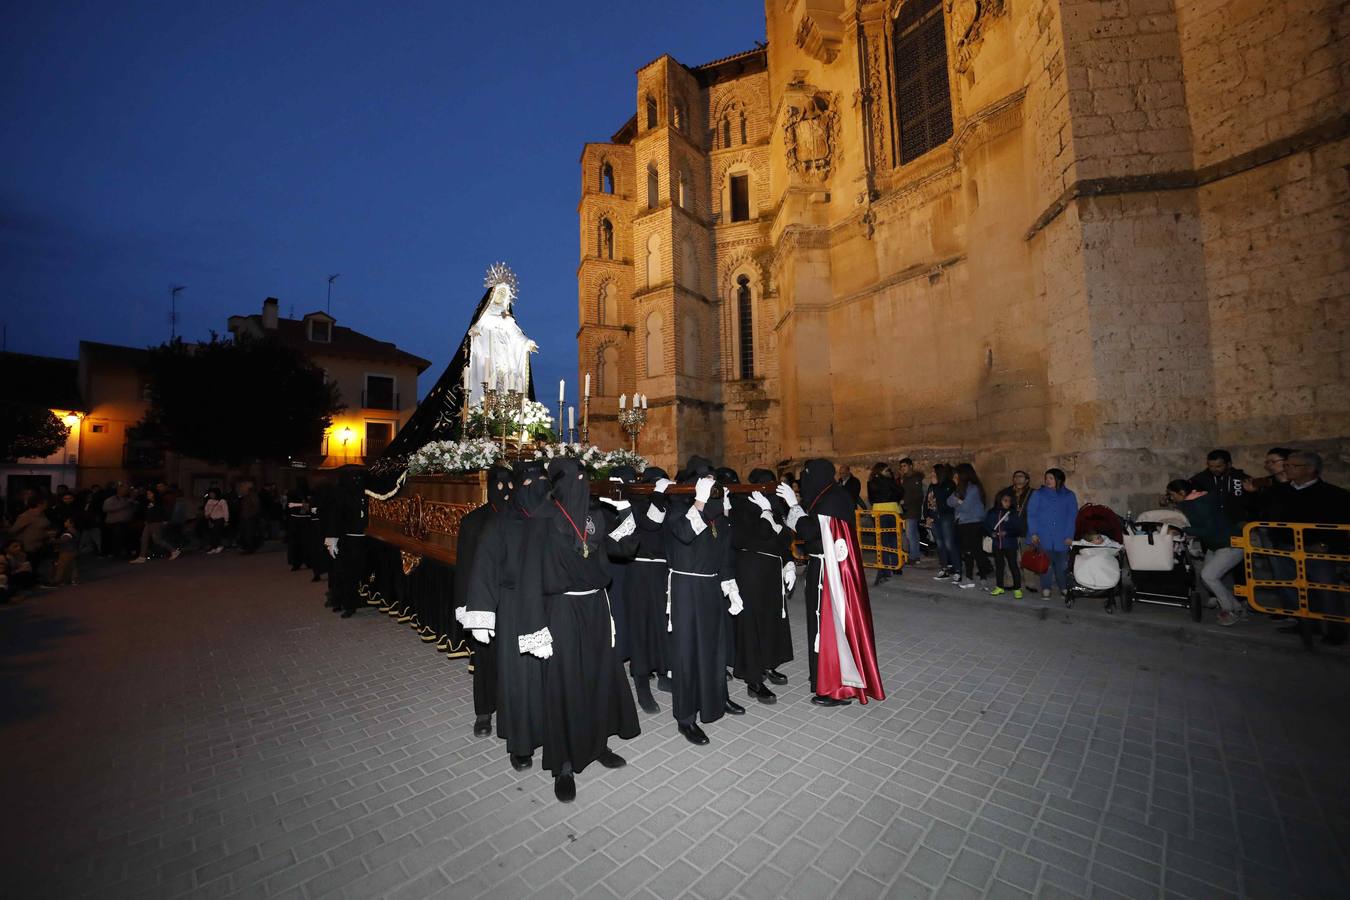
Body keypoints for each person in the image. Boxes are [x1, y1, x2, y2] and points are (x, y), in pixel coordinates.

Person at [512, 458, 640, 802]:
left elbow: (624, 548)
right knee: (565, 682)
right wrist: (535, 627)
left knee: (597, 675)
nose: (581, 482)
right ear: (556, 483)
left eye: (585, 476)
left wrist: (626, 509)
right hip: (562, 609)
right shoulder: (543, 519)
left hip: (596, 605)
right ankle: (564, 763)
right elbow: (529, 577)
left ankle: (598, 744)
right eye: (574, 477)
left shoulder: (594, 516)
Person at [777, 458, 886, 707]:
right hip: (821, 566)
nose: (804, 482)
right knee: (818, 626)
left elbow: (812, 532)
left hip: (831, 572)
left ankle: (834, 687)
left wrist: (793, 506)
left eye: (806, 476)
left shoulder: (832, 499)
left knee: (827, 626)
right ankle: (822, 674)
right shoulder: (825, 495)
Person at [465, 459, 552, 771]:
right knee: (520, 679)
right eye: (528, 484)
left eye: (542, 482)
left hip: (550, 604)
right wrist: (482, 611)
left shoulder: (554, 515)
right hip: (514, 607)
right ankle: (521, 743)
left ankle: (553, 731)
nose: (536, 489)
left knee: (549, 676)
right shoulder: (502, 523)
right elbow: (484, 567)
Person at [662, 457, 745, 745]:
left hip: (711, 586)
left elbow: (724, 552)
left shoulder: (716, 512)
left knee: (714, 647)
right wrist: (697, 502)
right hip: (685, 587)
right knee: (686, 653)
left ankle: (717, 699)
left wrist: (730, 586)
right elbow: (685, 534)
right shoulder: (675, 509)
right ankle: (685, 717)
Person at [1264, 451, 1350, 645]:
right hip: (1285, 547)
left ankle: (1336, 629)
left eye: (1293, 466)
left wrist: (1325, 545)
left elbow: (1341, 525)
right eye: (1286, 465)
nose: (1287, 469)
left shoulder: (1334, 495)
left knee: (1325, 589)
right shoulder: (1280, 492)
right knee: (1293, 587)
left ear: (1310, 469)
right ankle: (1307, 623)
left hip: (1315, 549)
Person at [455, 466, 514, 738]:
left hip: (514, 603)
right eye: (499, 487)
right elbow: (465, 568)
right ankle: (484, 712)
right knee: (485, 659)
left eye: (510, 486)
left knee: (513, 660)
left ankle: (512, 712)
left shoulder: (521, 518)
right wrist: (465, 605)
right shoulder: (473, 522)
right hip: (484, 602)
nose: (505, 492)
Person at [730, 468, 795, 705]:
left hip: (771, 573)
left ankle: (768, 663)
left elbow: (785, 539)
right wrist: (765, 514)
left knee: (770, 621)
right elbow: (756, 536)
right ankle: (753, 679)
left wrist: (788, 563)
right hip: (751, 572)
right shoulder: (743, 508)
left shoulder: (774, 509)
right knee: (752, 624)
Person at [626, 467, 674, 713]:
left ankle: (663, 672)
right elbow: (651, 523)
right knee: (642, 627)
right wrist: (657, 495)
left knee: (662, 623)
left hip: (662, 570)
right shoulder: (637, 501)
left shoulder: (666, 500)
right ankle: (642, 682)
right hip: (641, 571)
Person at [1165, 479, 1244, 626]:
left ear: (1182, 493)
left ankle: (1229, 610)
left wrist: (1182, 529)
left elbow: (1209, 529)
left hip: (1230, 545)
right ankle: (1237, 607)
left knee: (1209, 576)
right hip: (1216, 545)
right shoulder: (1195, 502)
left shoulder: (1200, 504)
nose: (1171, 498)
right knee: (1208, 580)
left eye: (1171, 494)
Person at [323, 466, 369, 618]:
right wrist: (332, 538)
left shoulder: (362, 493)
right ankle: (341, 602)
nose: (356, 481)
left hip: (360, 540)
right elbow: (334, 518)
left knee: (354, 574)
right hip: (346, 540)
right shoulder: (340, 494)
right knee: (343, 573)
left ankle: (350, 602)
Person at [1026, 468, 1078, 599]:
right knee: (1045, 564)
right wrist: (1033, 533)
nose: (1048, 481)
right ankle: (1046, 588)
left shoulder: (1069, 495)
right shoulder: (1038, 494)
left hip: (1062, 536)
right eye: (1046, 478)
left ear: (1059, 480)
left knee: (1062, 565)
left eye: (1051, 478)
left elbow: (1072, 517)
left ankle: (1064, 588)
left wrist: (1069, 536)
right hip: (1043, 535)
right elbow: (1031, 514)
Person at [948, 463, 990, 589]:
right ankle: (969, 578)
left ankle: (983, 578)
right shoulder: (960, 488)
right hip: (963, 523)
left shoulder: (973, 488)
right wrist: (959, 501)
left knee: (976, 551)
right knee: (967, 552)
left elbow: (965, 506)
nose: (954, 477)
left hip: (973, 523)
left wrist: (959, 503)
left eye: (957, 474)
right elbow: (948, 501)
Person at [1190, 449, 1251, 524]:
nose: (1214, 469)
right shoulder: (1200, 479)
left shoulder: (1242, 478)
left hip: (1238, 522)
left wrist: (1253, 492)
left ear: (1229, 464)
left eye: (1218, 466)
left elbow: (1252, 502)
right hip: (1211, 523)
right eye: (1211, 466)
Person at [866, 462, 902, 585]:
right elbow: (900, 491)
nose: (889, 471)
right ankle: (896, 566)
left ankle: (885, 568)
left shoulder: (871, 482)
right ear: (881, 470)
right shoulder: (888, 480)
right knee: (893, 539)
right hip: (892, 511)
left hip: (878, 512)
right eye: (887, 470)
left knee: (883, 540)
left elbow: (871, 498)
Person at [984, 491, 1023, 597]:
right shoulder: (992, 512)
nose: (1007, 503)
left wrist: (1007, 533)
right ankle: (999, 587)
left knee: (1013, 566)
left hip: (1010, 544)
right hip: (997, 544)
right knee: (999, 566)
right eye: (1005, 500)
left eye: (1009, 501)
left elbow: (1019, 529)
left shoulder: (1013, 513)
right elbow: (986, 526)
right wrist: (991, 533)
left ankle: (1017, 588)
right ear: (999, 500)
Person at [924, 464, 959, 579]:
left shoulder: (949, 484)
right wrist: (927, 516)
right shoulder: (931, 485)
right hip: (934, 518)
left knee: (949, 543)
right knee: (940, 544)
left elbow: (943, 500)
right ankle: (944, 569)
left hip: (945, 517)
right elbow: (927, 501)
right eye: (932, 472)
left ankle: (957, 569)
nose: (932, 474)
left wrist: (936, 485)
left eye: (934, 472)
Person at [131, 489, 180, 563]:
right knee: (144, 539)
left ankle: (174, 550)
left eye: (150, 493)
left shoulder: (159, 503)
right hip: (148, 523)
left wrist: (165, 520)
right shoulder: (148, 503)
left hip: (156, 523)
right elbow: (147, 512)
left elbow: (164, 511)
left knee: (157, 540)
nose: (148, 495)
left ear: (154, 494)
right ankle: (142, 557)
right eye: (147, 493)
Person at [897, 458, 926, 567]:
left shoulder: (915, 478)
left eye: (905, 466)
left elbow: (918, 494)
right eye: (901, 466)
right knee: (913, 533)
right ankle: (915, 555)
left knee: (910, 533)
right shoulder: (904, 478)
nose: (903, 468)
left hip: (912, 509)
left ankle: (913, 557)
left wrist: (905, 501)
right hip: (905, 509)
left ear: (911, 466)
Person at [285, 479, 312, 570]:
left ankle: (297, 562)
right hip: (304, 521)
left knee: (298, 542)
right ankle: (306, 561)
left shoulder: (293, 492)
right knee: (304, 542)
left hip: (296, 521)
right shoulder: (307, 492)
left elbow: (290, 506)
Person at [203, 488, 229, 554]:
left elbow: (225, 511)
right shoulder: (209, 501)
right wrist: (206, 515)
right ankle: (214, 547)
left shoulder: (222, 501)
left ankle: (219, 546)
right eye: (210, 494)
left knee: (216, 532)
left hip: (220, 519)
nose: (211, 495)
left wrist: (226, 520)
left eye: (212, 494)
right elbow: (207, 509)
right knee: (212, 533)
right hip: (212, 519)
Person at [53, 519, 78, 585]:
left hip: (66, 552)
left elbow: (63, 540)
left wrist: (53, 540)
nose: (64, 523)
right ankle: (73, 580)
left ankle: (57, 581)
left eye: (66, 522)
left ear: (71, 524)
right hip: (72, 551)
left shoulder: (68, 532)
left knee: (61, 567)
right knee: (72, 566)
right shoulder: (74, 531)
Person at [237, 484, 262, 554]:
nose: (242, 489)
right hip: (245, 517)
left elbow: (256, 507)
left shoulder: (252, 496)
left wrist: (250, 514)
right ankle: (247, 548)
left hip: (249, 518)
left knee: (249, 533)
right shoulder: (246, 496)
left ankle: (249, 549)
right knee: (246, 533)